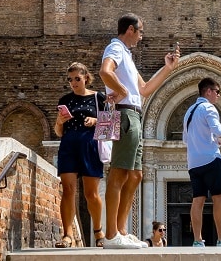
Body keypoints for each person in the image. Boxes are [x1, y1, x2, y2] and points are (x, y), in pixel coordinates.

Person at [99, 14, 180, 249]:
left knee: (135, 175)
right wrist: (122, 90)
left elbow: (144, 89)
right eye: (141, 31)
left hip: (134, 115)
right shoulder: (115, 48)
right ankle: (111, 235)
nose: (142, 36)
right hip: (125, 114)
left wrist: (168, 68)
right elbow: (105, 71)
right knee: (119, 173)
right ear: (131, 29)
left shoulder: (127, 55)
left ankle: (121, 230)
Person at [53, 62, 106, 248]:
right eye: (70, 80)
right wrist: (59, 122)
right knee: (68, 190)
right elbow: (59, 132)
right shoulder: (64, 100)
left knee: (91, 193)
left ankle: (98, 231)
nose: (74, 83)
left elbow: (111, 126)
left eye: (77, 78)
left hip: (90, 146)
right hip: (68, 145)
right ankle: (67, 235)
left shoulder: (99, 97)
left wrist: (96, 120)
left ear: (86, 78)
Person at [183, 77, 221, 248]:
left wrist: (216, 140)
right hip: (211, 159)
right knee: (219, 198)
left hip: (194, 163)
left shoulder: (189, 111)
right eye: (217, 92)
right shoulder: (208, 107)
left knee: (197, 200)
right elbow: (217, 129)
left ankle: (197, 240)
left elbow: (186, 139)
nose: (218, 95)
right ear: (208, 91)